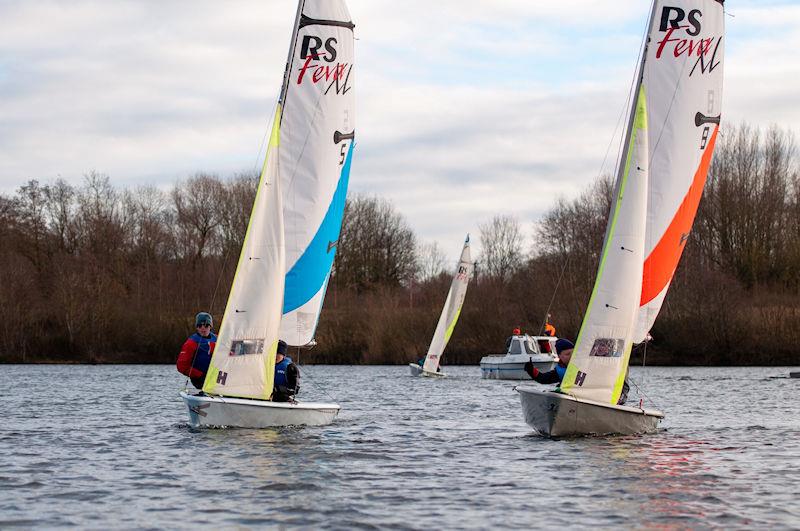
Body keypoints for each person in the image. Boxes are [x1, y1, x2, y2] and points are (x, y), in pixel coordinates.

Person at [525, 338, 631, 405]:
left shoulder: (585, 364)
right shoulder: (560, 371)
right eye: (567, 354)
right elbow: (543, 379)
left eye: (573, 353)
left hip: (592, 399)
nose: (571, 357)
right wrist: (531, 370)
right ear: (559, 356)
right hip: (571, 402)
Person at [176, 312, 217, 389]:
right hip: (200, 379)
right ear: (197, 327)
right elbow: (181, 366)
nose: (203, 328)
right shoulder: (191, 343)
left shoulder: (218, 339)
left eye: (206, 325)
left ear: (210, 326)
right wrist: (199, 374)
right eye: (199, 326)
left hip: (217, 376)